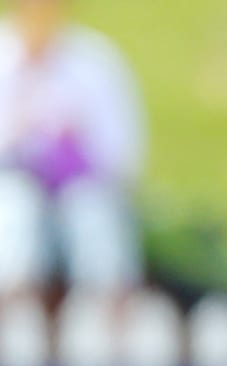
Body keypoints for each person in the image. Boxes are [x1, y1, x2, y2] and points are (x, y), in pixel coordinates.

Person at [0, 0, 144, 294]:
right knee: (16, 211)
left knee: (90, 216)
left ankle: (104, 305)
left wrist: (74, 146)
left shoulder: (95, 63)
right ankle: (14, 304)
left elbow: (123, 154)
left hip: (81, 188)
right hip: (11, 186)